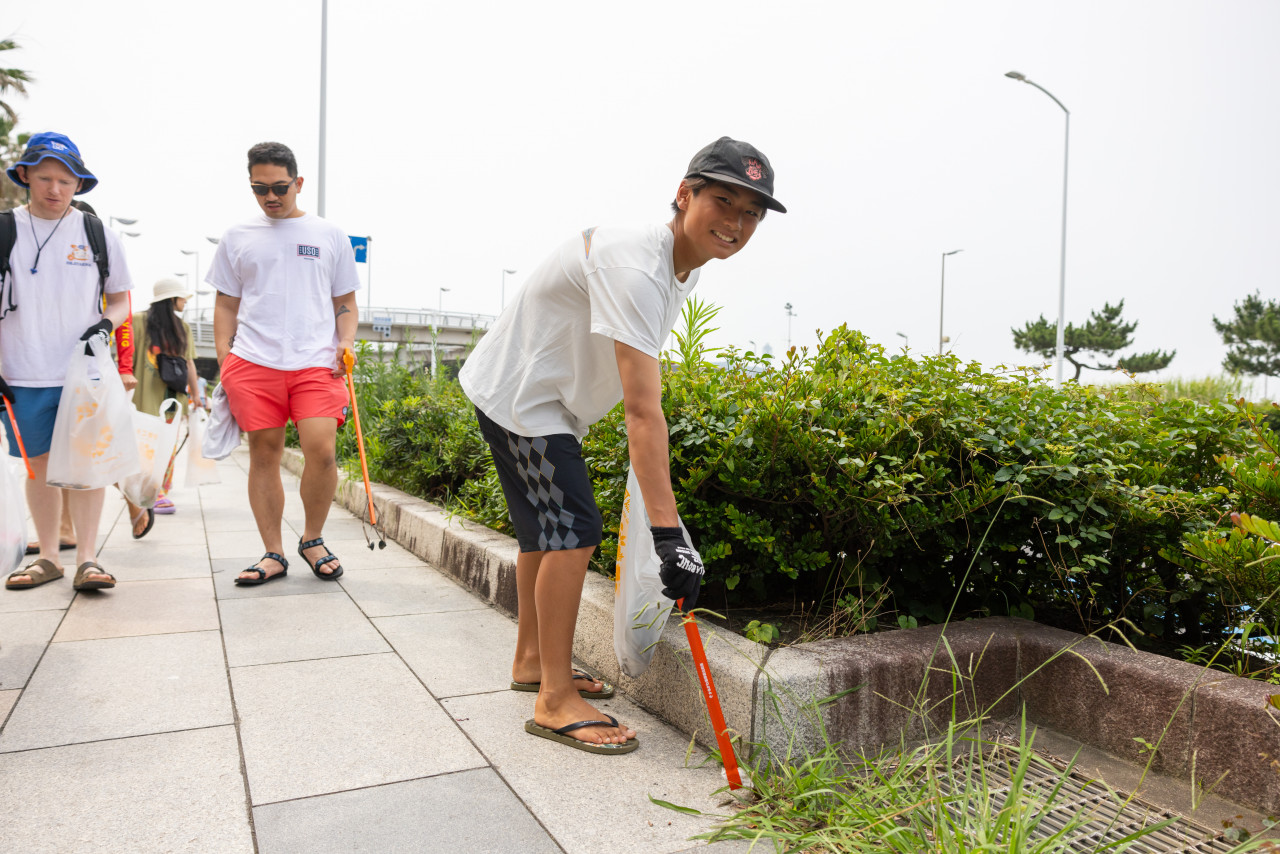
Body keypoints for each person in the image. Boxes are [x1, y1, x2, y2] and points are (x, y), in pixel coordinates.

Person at [459, 137, 786, 754]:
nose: (737, 223)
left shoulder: (673, 266)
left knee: (546, 531)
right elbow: (643, 410)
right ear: (685, 195)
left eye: (752, 213)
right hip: (522, 397)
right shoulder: (637, 263)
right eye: (724, 201)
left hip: (540, 398)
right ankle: (553, 697)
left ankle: (533, 659)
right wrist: (670, 539)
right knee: (575, 526)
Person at [208, 141, 359, 586]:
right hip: (253, 361)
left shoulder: (329, 235)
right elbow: (225, 303)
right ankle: (272, 552)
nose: (270, 197)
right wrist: (225, 358)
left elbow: (345, 301)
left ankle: (312, 539)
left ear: (298, 182)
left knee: (323, 451)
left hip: (316, 361)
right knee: (263, 456)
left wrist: (346, 341)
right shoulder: (237, 236)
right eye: (260, 189)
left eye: (279, 187)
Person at [0, 132, 134, 591]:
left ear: (78, 184)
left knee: (86, 466)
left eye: (64, 180)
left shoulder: (98, 235)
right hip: (21, 371)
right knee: (38, 466)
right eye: (44, 178)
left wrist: (105, 325)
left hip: (85, 372)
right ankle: (49, 557)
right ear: (25, 176)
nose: (54, 189)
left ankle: (89, 559)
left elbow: (119, 301)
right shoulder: (5, 230)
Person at [21, 198, 139, 553]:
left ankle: (130, 503)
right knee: (55, 457)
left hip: (92, 370)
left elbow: (124, 318)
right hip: (42, 371)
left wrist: (124, 368)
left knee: (90, 453)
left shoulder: (98, 251)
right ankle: (63, 531)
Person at [120, 276, 201, 536]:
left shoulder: (182, 328)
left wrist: (196, 395)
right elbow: (127, 355)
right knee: (145, 446)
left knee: (167, 446)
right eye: (182, 297)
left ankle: (159, 491)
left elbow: (188, 362)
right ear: (170, 299)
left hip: (173, 395)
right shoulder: (139, 321)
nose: (185, 302)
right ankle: (145, 491)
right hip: (144, 394)